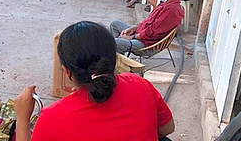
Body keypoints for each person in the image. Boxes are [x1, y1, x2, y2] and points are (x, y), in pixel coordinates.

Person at [14, 21, 175, 141]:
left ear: (67, 71)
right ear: (114, 59)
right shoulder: (140, 85)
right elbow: (167, 128)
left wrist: (22, 118)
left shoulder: (52, 118)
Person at [113, 0, 185, 54]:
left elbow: (152, 32)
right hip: (140, 34)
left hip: (147, 44)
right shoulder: (166, 3)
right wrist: (134, 28)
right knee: (115, 24)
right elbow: (148, 22)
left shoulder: (171, 10)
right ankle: (119, 56)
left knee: (114, 42)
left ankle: (117, 57)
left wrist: (131, 37)